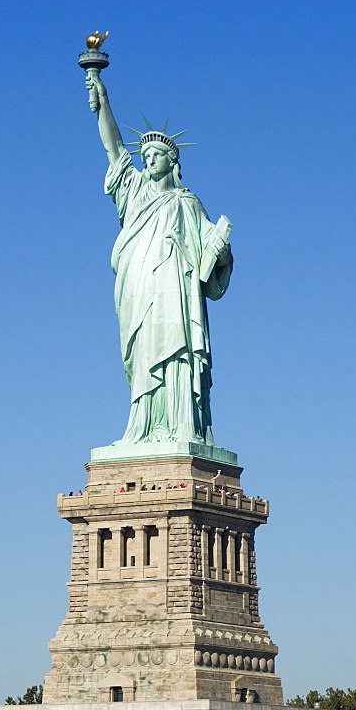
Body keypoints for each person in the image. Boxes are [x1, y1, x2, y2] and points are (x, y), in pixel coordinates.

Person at [85, 67, 233, 448]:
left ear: (172, 161)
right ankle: (144, 427)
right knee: (143, 352)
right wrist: (103, 104)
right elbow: (114, 149)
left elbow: (209, 256)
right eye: (145, 155)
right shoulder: (133, 190)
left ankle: (183, 426)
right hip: (138, 286)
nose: (148, 160)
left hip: (175, 290)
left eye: (156, 155)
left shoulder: (187, 202)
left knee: (178, 350)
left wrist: (222, 252)